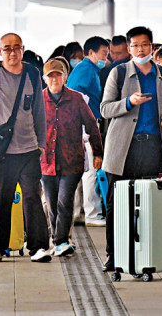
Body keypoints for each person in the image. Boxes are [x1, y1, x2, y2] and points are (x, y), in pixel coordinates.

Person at [0, 33, 51, 263]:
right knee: (0, 198)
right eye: (7, 48)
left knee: (33, 197)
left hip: (28, 149)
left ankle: (38, 247)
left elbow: (39, 113)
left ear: (23, 50)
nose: (12, 53)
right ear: (0, 52)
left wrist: (41, 144)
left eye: (16, 48)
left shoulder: (32, 74)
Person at [99, 26, 162, 273]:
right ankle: (113, 254)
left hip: (152, 145)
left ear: (152, 47)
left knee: (149, 200)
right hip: (123, 148)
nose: (140, 50)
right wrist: (129, 102)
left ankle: (147, 253)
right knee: (117, 202)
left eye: (145, 45)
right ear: (129, 49)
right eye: (135, 46)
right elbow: (105, 109)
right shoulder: (118, 73)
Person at [40, 59, 103, 256]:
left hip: (71, 160)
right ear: (44, 79)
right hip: (46, 162)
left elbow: (92, 126)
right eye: (50, 76)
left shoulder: (77, 99)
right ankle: (60, 237)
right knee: (51, 203)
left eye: (58, 75)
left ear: (65, 77)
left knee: (64, 200)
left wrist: (98, 153)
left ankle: (60, 241)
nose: (54, 79)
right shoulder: (38, 100)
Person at [66, 36, 109, 228]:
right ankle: (92, 214)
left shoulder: (88, 69)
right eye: (103, 54)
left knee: (80, 170)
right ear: (90, 53)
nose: (105, 58)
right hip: (84, 127)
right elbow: (76, 96)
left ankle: (77, 213)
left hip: (81, 126)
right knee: (91, 170)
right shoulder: (85, 70)